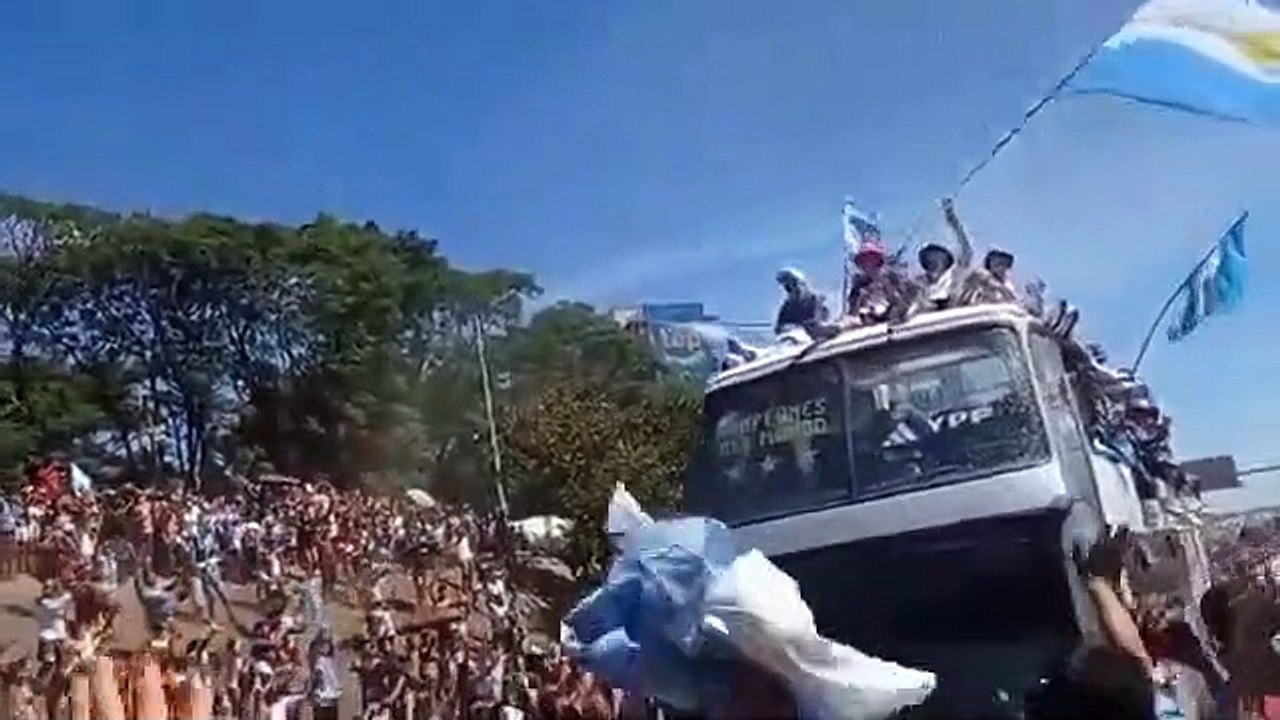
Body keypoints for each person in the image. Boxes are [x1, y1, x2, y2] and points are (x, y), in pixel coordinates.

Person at [913, 197, 974, 312]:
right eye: (929, 257)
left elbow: (966, 249)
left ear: (946, 258)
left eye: (937, 255)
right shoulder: (921, 284)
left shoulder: (955, 273)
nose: (934, 259)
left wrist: (953, 221)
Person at [846, 239, 915, 324]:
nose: (868, 263)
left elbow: (910, 297)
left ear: (878, 260)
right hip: (872, 330)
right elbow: (852, 314)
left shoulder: (893, 277)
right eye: (864, 260)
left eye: (871, 258)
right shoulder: (857, 287)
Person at [773, 268, 828, 336]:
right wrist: (784, 328)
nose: (792, 291)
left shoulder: (816, 300)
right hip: (793, 341)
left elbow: (817, 322)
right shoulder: (787, 307)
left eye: (794, 285)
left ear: (802, 285)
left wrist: (801, 326)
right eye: (787, 288)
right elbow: (779, 328)